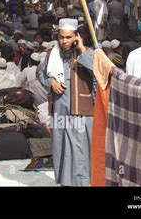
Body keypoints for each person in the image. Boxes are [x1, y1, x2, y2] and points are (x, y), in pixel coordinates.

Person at [38, 18, 95, 186]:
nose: (64, 41)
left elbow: (97, 72)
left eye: (69, 37)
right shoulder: (51, 55)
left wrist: (82, 48)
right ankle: (66, 182)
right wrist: (51, 82)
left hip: (81, 111)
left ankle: (83, 183)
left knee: (80, 150)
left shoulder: (87, 52)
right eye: (61, 37)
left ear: (77, 36)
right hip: (60, 110)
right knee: (61, 148)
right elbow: (40, 74)